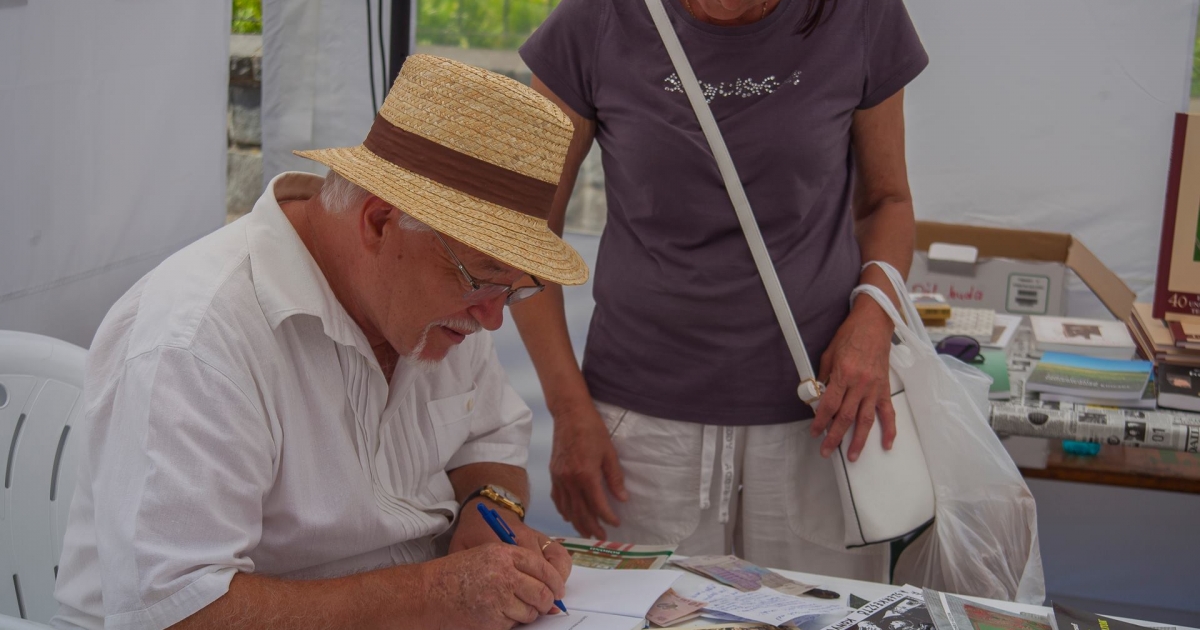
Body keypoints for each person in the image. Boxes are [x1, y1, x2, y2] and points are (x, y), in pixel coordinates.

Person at [51, 55, 588, 630]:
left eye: (515, 290)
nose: (492, 318)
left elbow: (492, 439)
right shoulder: (197, 337)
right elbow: (176, 612)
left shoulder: (444, 307)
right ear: (380, 222)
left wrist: (490, 506)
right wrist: (437, 593)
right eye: (482, 278)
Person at [513, 0, 928, 579]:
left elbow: (888, 200)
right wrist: (568, 409)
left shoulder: (861, 14)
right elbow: (525, 228)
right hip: (642, 429)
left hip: (821, 421)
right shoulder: (596, 18)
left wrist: (875, 317)